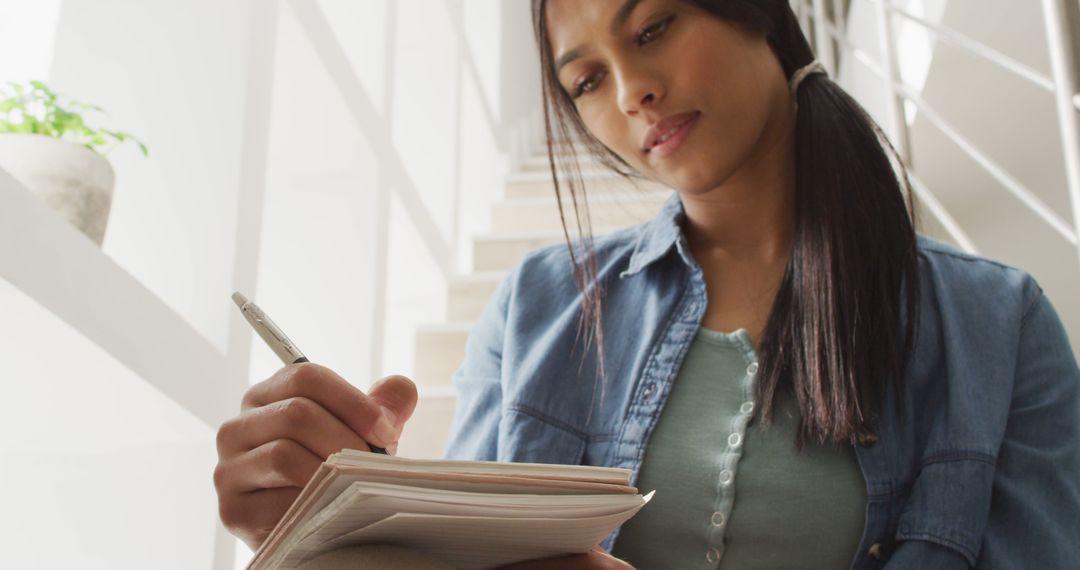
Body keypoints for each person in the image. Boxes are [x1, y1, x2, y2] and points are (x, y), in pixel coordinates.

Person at [214, 0, 1080, 568]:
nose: (631, 92)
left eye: (654, 27)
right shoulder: (534, 310)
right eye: (585, 80)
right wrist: (316, 534)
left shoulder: (997, 326)